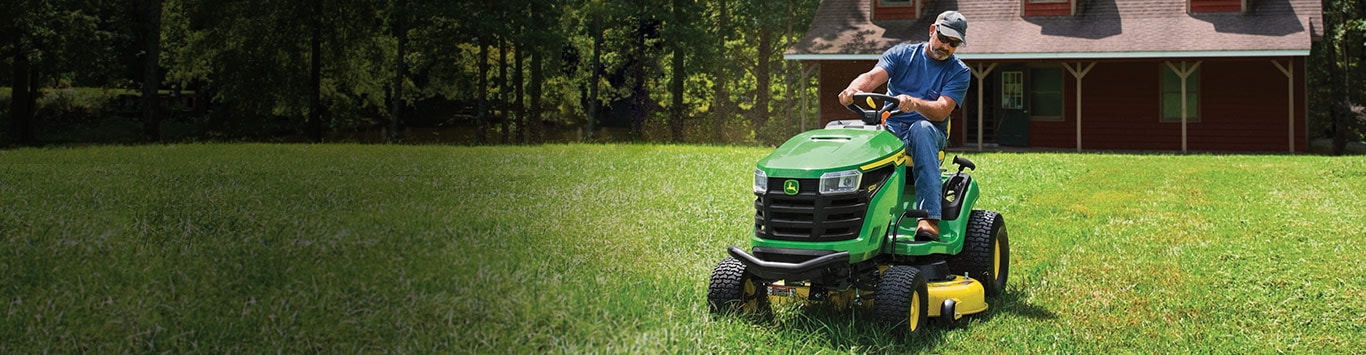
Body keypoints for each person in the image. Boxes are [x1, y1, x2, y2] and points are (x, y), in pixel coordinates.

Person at [837, 10, 971, 241]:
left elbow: (941, 111)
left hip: (929, 133)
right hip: (891, 130)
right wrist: (853, 89)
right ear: (932, 31)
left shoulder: (959, 72)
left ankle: (928, 218)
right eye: (943, 38)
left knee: (921, 128)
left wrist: (915, 103)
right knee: (845, 133)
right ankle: (841, 213)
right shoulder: (902, 54)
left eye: (954, 43)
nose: (946, 46)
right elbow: (871, 77)